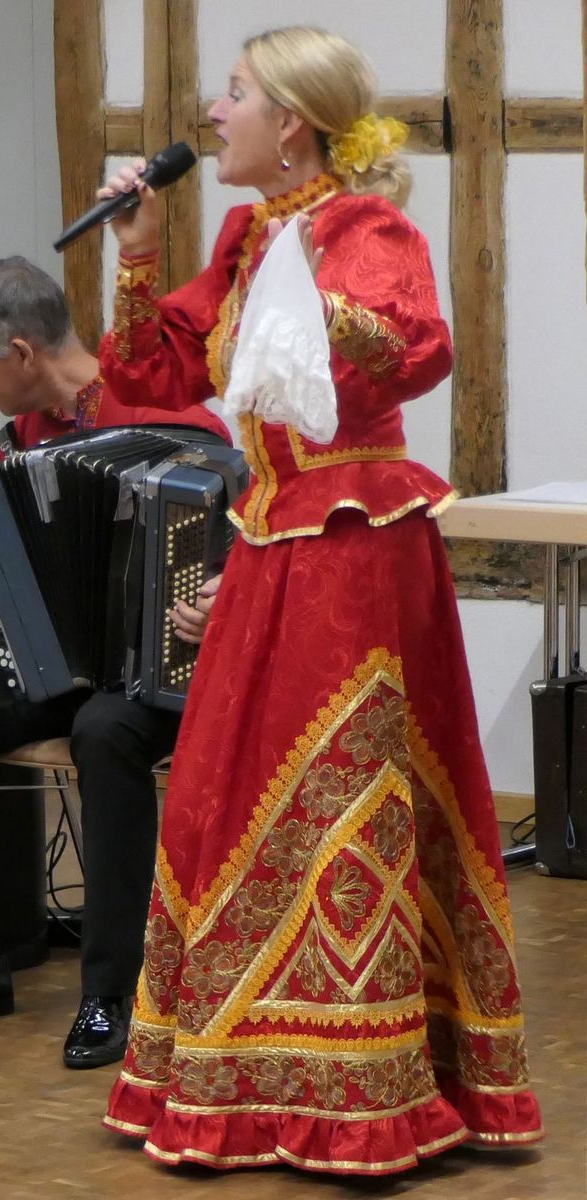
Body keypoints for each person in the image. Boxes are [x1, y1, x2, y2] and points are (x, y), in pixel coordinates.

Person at [99, 26, 543, 1174]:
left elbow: (415, 350)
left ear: (289, 121)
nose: (213, 112)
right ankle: (246, 1069)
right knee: (228, 790)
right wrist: (136, 256)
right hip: (270, 543)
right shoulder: (247, 238)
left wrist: (319, 298)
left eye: (234, 93)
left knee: (342, 790)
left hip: (351, 544)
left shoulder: (364, 230)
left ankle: (361, 1079)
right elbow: (148, 377)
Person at [0, 256, 230, 1068]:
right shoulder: (18, 445)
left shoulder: (176, 420)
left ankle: (115, 991)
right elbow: (5, 601)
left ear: (23, 352)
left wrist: (220, 595)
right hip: (62, 665)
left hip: (169, 671)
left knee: (106, 729)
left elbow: (250, 552)